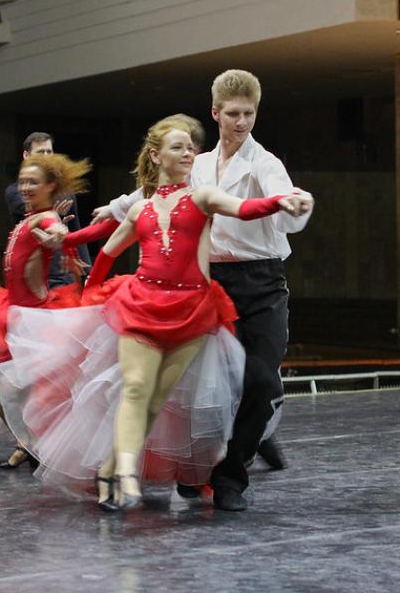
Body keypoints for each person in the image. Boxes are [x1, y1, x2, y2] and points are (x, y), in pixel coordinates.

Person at [0, 117, 311, 512]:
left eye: (191, 146)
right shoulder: (142, 202)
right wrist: (82, 281)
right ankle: (124, 471)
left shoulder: (203, 195)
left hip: (192, 309)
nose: (190, 151)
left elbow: (245, 208)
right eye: (179, 146)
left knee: (158, 397)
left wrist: (281, 201)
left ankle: (117, 465)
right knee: (137, 389)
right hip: (143, 301)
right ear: (157, 155)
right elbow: (106, 242)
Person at [91, 70, 314, 510]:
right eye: (233, 113)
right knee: (204, 388)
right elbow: (155, 193)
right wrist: (111, 210)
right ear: (216, 113)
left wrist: (293, 202)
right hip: (211, 284)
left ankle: (232, 475)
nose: (241, 122)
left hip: (262, 282)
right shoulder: (202, 162)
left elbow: (278, 200)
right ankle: (198, 473)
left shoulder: (265, 163)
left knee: (261, 378)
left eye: (249, 114)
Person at [0, 153, 90, 469]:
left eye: (32, 182)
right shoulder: (27, 218)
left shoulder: (45, 218)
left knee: (20, 389)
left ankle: (39, 445)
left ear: (50, 186)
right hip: (8, 311)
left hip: (34, 319)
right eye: (22, 181)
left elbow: (57, 233)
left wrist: (58, 236)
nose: (24, 187)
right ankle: (26, 442)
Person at [5, 132, 92, 286]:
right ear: (26, 155)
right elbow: (33, 215)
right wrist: (55, 215)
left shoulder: (66, 193)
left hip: (63, 272)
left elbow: (75, 230)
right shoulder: (16, 191)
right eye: (40, 152)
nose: (46, 156)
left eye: (49, 152)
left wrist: (88, 270)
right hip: (33, 272)